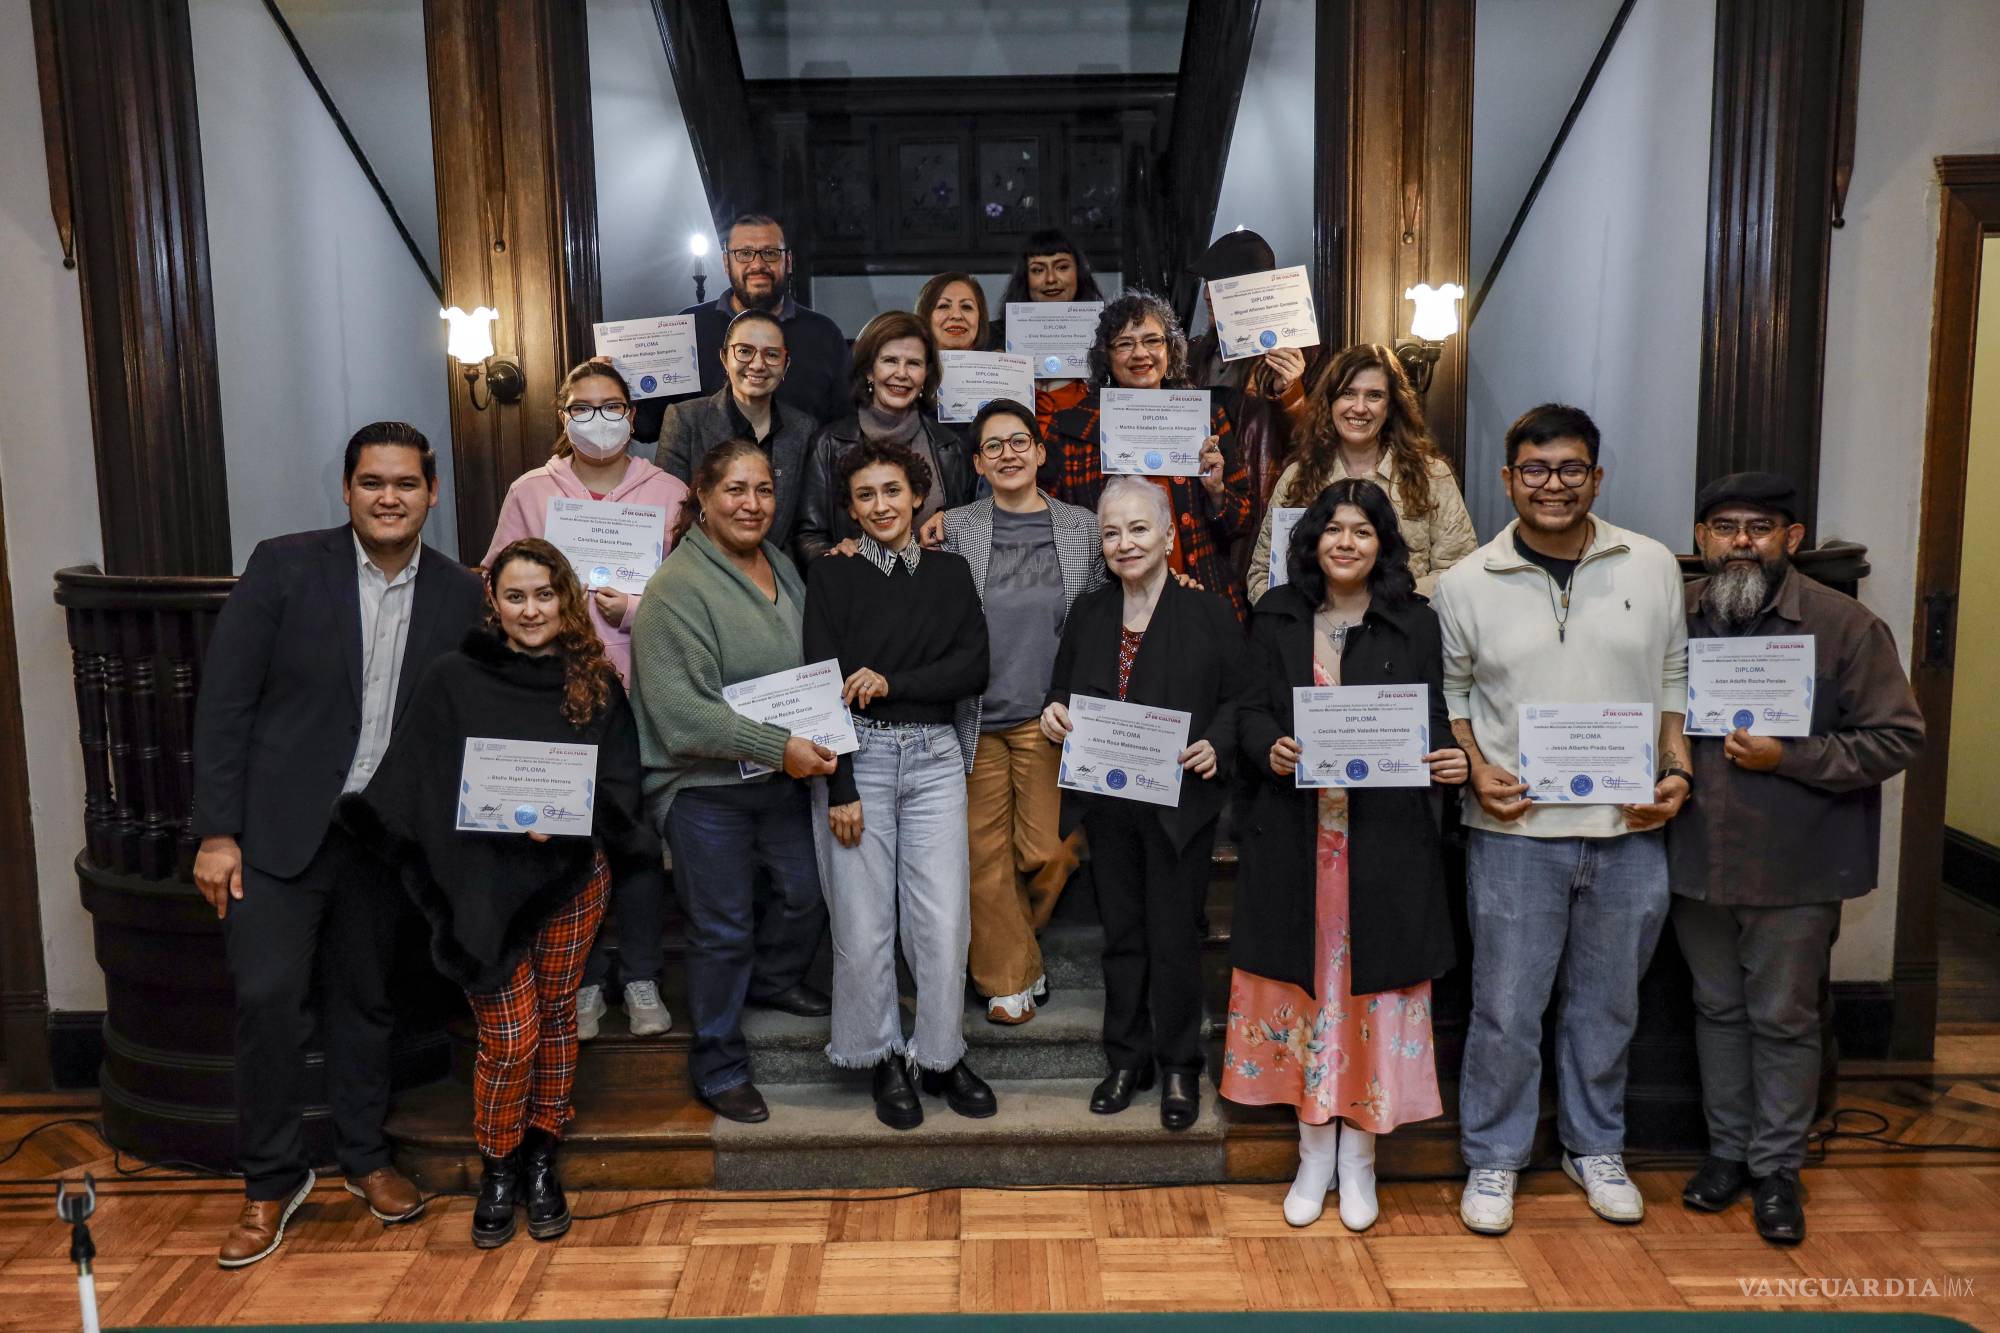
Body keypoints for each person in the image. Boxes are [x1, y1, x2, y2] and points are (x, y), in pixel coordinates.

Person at [191, 422, 484, 1268]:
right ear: (348, 491)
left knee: (367, 1005)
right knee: (268, 999)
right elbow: (225, 704)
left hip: (382, 838)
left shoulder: (463, 593)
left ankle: (363, 1157)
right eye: (371, 482)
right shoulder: (284, 567)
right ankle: (270, 1181)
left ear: (432, 493)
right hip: (277, 835)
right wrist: (217, 830)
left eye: (405, 482)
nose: (388, 496)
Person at [336, 538, 660, 1248]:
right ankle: (499, 1163)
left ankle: (543, 1156)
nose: (531, 609)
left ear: (565, 599)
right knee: (510, 1037)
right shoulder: (454, 677)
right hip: (480, 884)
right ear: (495, 602)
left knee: (554, 1021)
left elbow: (621, 785)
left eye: (544, 594)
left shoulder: (594, 679)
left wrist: (569, 823)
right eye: (515, 596)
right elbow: (416, 781)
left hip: (570, 882)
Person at [1432, 403, 1693, 1236]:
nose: (1554, 485)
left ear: (1596, 476)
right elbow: (1453, 693)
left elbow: (1675, 679)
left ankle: (1594, 1146)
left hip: (1630, 825)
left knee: (1608, 1003)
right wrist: (1475, 767)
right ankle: (1495, 1157)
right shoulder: (1466, 580)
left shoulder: (1650, 564)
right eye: (1536, 470)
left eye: (1570, 468)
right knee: (1506, 1004)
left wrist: (1678, 767)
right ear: (1508, 479)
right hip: (1514, 833)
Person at [1671, 472, 1923, 1245]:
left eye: (1758, 526)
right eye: (1723, 526)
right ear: (1703, 539)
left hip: (1795, 863)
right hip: (1693, 859)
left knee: (1783, 1019)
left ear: (1793, 537)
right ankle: (1726, 1153)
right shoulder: (1676, 618)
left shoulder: (1844, 626)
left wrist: (1791, 755)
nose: (1740, 540)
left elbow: (1898, 736)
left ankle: (1778, 1168)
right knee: (1716, 1010)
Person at [1223, 478, 1465, 1231]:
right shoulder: (1276, 615)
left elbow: (1434, 717)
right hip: (1296, 840)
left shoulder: (1414, 623)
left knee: (1368, 997)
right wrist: (1272, 746)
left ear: (1384, 543)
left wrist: (1449, 756)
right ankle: (1311, 1153)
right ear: (1311, 540)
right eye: (1334, 529)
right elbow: (1247, 710)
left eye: (1363, 530)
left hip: (1385, 844)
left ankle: (1360, 1159)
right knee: (1307, 995)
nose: (1347, 542)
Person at [629, 439, 838, 1123]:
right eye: (735, 491)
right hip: (702, 787)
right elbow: (684, 717)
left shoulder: (775, 560)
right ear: (705, 496)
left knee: (807, 892)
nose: (752, 504)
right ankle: (718, 1064)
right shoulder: (675, 588)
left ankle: (774, 980)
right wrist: (782, 746)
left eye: (763, 490)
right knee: (721, 929)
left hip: (774, 774)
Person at [485, 359, 688, 1044]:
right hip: (554, 689)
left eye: (612, 407)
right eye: (583, 407)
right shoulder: (532, 490)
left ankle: (642, 974)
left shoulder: (667, 489)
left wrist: (634, 609)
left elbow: (692, 595)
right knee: (572, 837)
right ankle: (585, 981)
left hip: (640, 689)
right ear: (562, 415)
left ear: (634, 416)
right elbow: (500, 580)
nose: (597, 419)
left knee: (632, 837)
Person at [1041, 478, 1245, 1131]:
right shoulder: (1090, 612)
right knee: (1122, 935)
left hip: (1180, 806)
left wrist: (1218, 740)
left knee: (1173, 937)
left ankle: (1181, 1062)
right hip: (1109, 803)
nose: (1124, 542)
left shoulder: (1210, 612)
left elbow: (1244, 699)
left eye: (1137, 529)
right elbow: (1061, 694)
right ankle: (1128, 1059)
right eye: (1111, 532)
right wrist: (1054, 715)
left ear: (1167, 535)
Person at [803, 437, 994, 1129]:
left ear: (918, 497)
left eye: (893, 491)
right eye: (865, 495)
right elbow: (822, 684)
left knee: (943, 919)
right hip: (860, 760)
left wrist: (891, 682)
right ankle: (880, 1054)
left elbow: (972, 666)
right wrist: (842, 785)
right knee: (862, 921)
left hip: (937, 756)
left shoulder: (950, 571)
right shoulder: (832, 577)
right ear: (850, 510)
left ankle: (939, 1055)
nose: (881, 505)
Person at [941, 400, 1105, 1024]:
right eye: (993, 446)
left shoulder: (1084, 528)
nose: (1008, 454)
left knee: (1049, 850)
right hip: (976, 718)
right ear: (978, 464)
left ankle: (1017, 951)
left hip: (1048, 718)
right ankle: (1007, 978)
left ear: (1040, 452)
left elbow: (1101, 618)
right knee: (982, 852)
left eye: (1019, 442)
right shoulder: (951, 529)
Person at [1044, 289, 1253, 619]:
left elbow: (1240, 522)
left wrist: (1216, 493)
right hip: (1111, 603)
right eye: (1125, 344)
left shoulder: (1205, 418)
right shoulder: (1071, 429)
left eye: (1153, 341)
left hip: (1200, 599)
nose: (1140, 353)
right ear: (1107, 358)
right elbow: (1056, 526)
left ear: (1170, 350)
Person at [1248, 343, 1476, 602]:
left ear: (1391, 406)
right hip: (1313, 634)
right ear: (1330, 402)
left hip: (1401, 632)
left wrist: (1374, 603)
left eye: (1374, 396)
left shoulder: (1431, 476)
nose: (1359, 407)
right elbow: (1261, 576)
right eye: (1348, 393)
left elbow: (1460, 574)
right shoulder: (1296, 477)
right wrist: (1317, 616)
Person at [632, 212, 849, 443]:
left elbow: (844, 429)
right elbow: (647, 427)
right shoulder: (688, 329)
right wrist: (616, 384)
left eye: (770, 253)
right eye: (744, 253)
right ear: (726, 262)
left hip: (802, 477)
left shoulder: (824, 334)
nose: (757, 264)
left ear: (788, 261)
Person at [793, 310, 975, 564]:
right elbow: (808, 536)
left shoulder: (950, 446)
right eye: (890, 360)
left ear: (925, 375)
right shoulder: (829, 443)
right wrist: (836, 557)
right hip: (856, 593)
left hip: (934, 595)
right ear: (869, 370)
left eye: (913, 363)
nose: (901, 373)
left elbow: (969, 531)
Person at [1185, 228, 1310, 565]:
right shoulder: (1192, 354)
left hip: (1258, 514)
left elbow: (1311, 446)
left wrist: (1292, 394)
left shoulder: (1299, 359)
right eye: (1207, 285)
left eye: (1221, 284)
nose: (1208, 296)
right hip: (1198, 510)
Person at [656, 308, 819, 551]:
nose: (757, 364)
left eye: (772, 355)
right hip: (703, 571)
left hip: (778, 575)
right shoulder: (685, 419)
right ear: (724, 358)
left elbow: (803, 526)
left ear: (786, 365)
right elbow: (670, 517)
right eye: (744, 351)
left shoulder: (804, 428)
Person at [992, 228, 1107, 433]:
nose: (1051, 279)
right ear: (1025, 278)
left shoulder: (1106, 335)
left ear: (1078, 273)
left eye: (1062, 267)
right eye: (1038, 270)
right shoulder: (997, 339)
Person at [917, 271, 991, 352]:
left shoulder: (998, 362)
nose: (956, 315)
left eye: (966, 307)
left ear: (980, 318)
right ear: (925, 317)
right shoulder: (904, 363)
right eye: (943, 306)